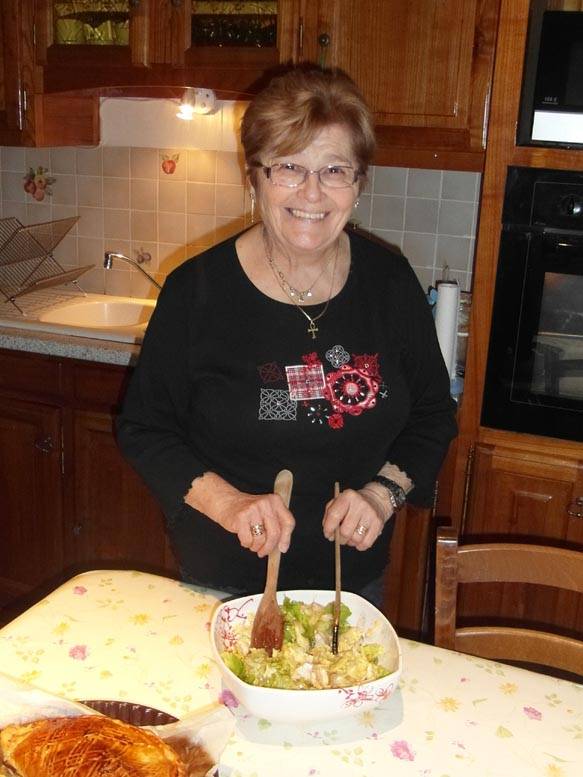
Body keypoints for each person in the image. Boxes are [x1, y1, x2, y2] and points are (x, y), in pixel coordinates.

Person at [116, 65, 457, 607]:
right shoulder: (196, 290)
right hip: (224, 579)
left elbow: (433, 414)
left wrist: (382, 494)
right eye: (289, 167)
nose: (311, 192)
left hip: (352, 584)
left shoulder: (390, 282)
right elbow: (145, 429)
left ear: (359, 183)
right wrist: (229, 504)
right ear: (254, 177)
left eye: (334, 170)